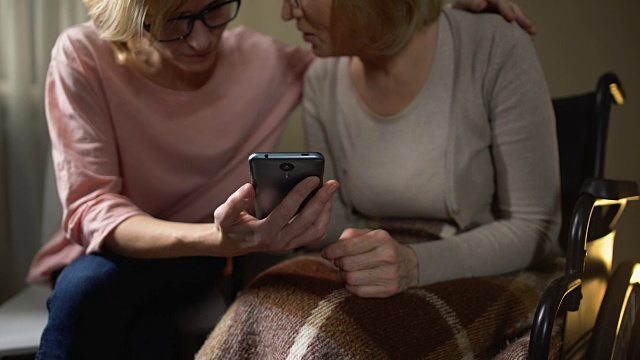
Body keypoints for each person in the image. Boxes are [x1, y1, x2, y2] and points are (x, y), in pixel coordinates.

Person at [25, 0, 538, 358]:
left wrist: (444, 7)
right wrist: (214, 238)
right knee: (98, 300)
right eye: (173, 22)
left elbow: (386, 32)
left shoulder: (284, 65)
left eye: (215, 9)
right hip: (122, 248)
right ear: (130, 15)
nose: (202, 39)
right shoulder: (81, 56)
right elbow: (91, 205)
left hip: (203, 262)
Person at [195, 0, 560, 358]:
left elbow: (537, 228)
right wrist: (286, 222)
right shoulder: (322, 77)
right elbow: (336, 220)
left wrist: (415, 264)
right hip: (371, 258)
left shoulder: (494, 44)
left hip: (484, 265)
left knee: (333, 339)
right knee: (258, 303)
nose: (287, 13)